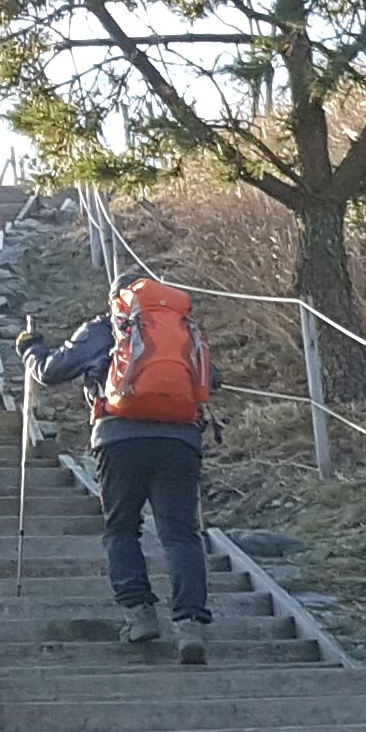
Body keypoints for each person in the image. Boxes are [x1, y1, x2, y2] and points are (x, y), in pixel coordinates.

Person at [25, 281, 217, 661]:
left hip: (119, 439)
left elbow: (50, 371)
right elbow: (212, 378)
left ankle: (139, 613)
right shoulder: (180, 328)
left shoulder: (104, 329)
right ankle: (190, 625)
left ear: (117, 298)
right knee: (181, 534)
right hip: (179, 440)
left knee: (122, 529)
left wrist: (31, 348)